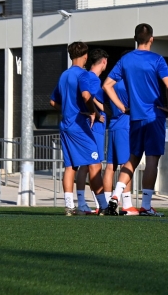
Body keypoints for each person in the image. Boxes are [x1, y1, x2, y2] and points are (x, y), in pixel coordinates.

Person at [103, 23, 168, 217]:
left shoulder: (125, 60)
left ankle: (115, 196)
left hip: (134, 117)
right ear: (151, 38)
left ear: (135, 39)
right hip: (153, 116)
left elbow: (107, 85)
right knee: (152, 159)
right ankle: (146, 205)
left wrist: (121, 107)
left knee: (132, 158)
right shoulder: (157, 59)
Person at [49, 42, 108, 216]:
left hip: (65, 125)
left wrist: (69, 109)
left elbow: (53, 102)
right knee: (95, 163)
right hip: (79, 126)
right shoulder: (84, 74)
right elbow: (86, 95)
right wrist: (93, 112)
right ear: (85, 56)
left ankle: (69, 206)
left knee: (70, 167)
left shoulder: (64, 75)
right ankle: (104, 206)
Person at [74, 48, 110, 215]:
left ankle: (81, 202)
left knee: (85, 166)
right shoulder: (94, 80)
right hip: (95, 128)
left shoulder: (83, 76)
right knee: (95, 166)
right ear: (103, 61)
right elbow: (90, 97)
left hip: (85, 125)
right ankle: (102, 204)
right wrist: (99, 112)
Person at [102, 78, 136, 215]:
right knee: (126, 165)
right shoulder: (129, 83)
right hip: (125, 125)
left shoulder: (112, 83)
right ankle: (127, 205)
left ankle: (105, 203)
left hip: (113, 125)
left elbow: (98, 98)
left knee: (110, 166)